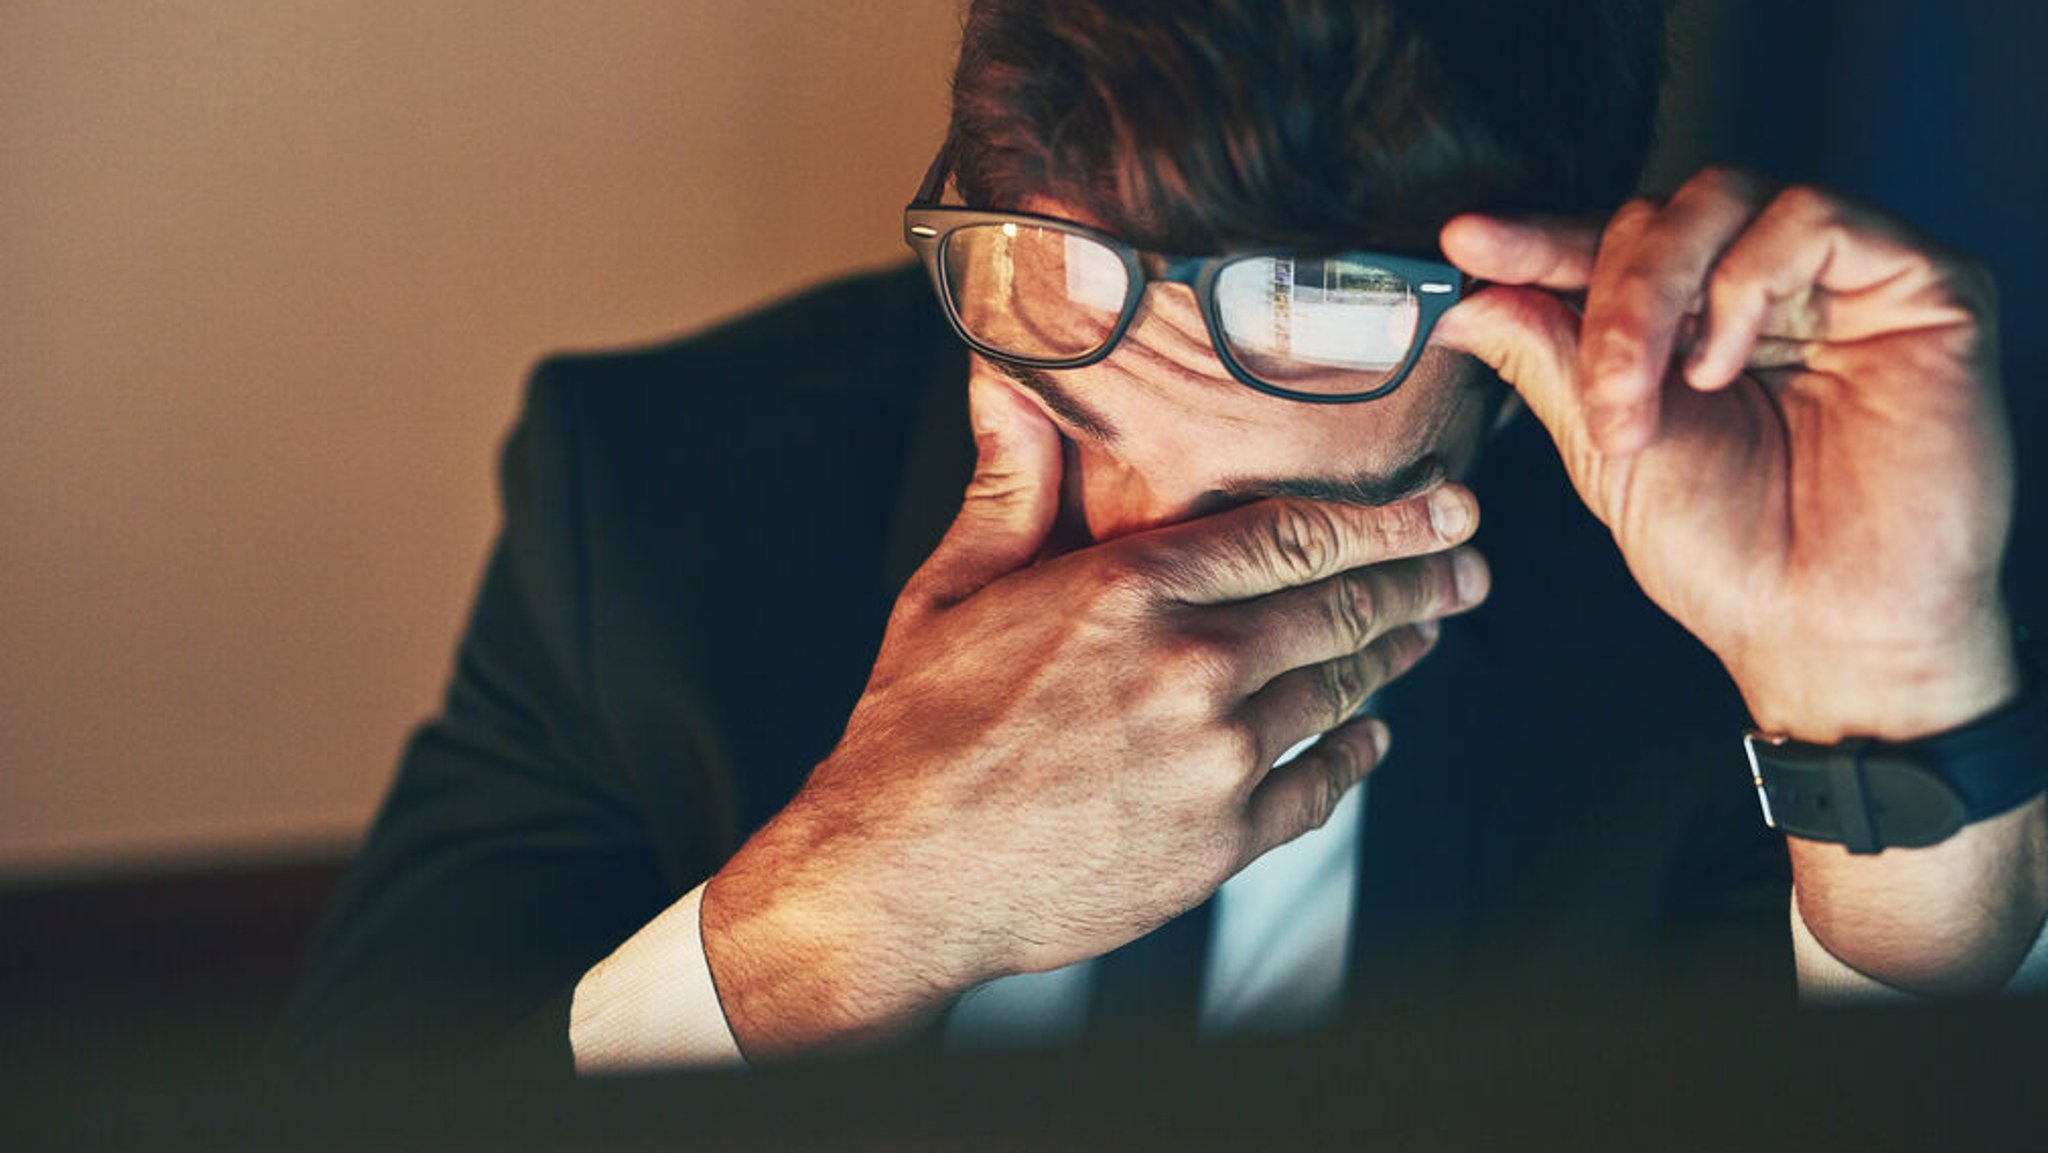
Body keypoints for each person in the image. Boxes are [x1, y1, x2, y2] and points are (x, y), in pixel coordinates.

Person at [280, 0, 2048, 1076]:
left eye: (1271, 520)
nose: (1125, 588)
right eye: (1085, 418)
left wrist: (1890, 718)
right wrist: (842, 917)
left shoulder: (1737, 585)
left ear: (1540, 336)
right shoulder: (651, 506)